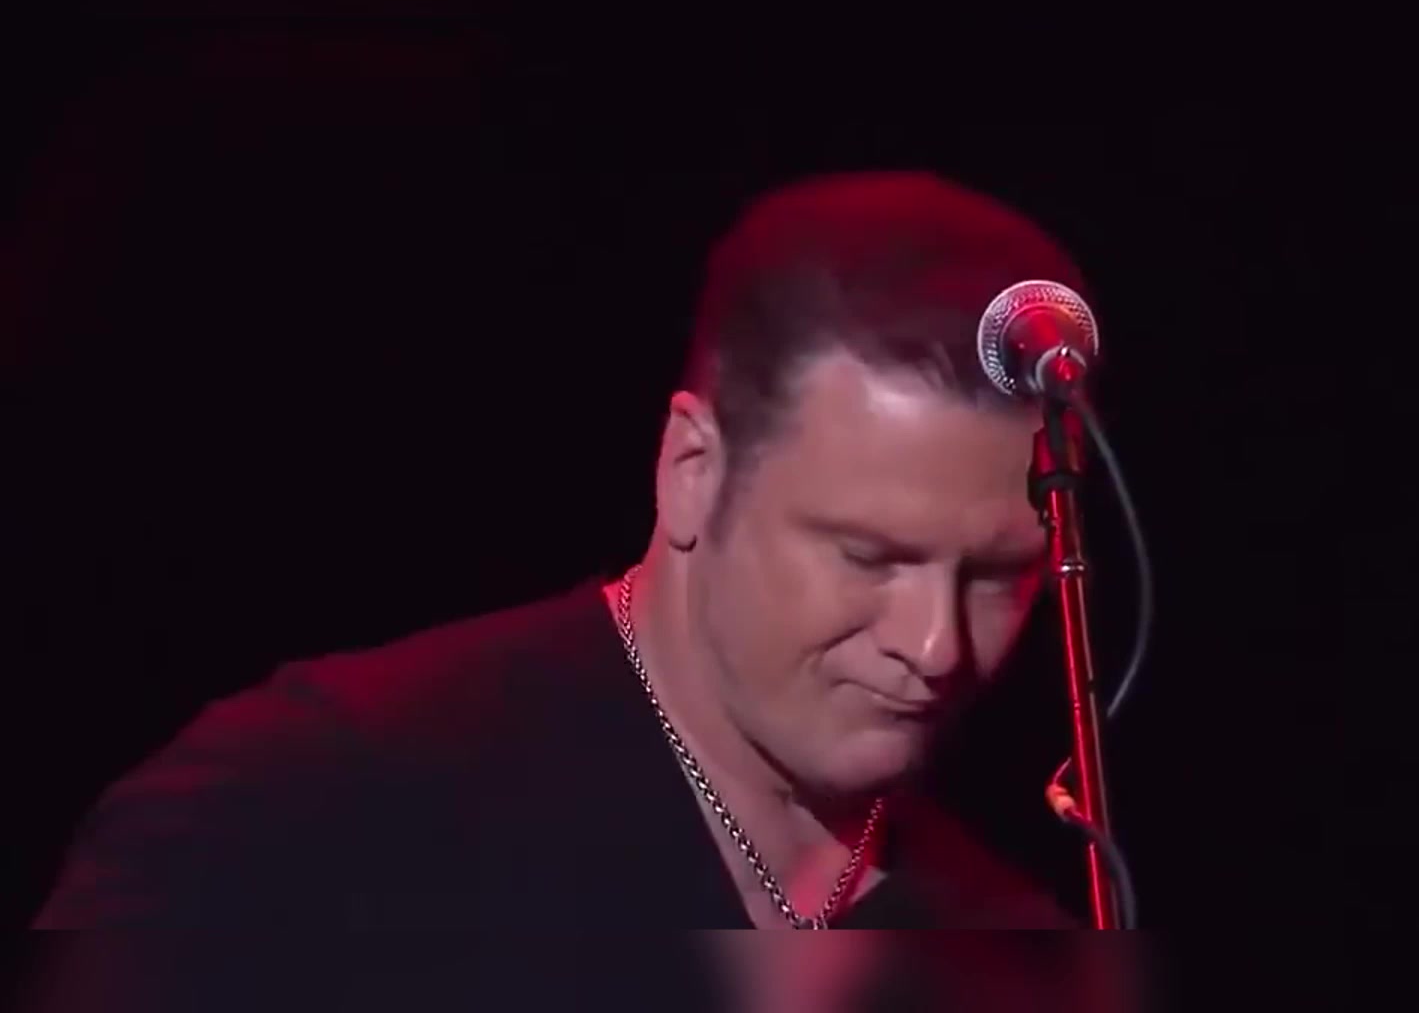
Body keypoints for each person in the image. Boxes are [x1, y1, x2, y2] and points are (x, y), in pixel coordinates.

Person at [29, 170, 1096, 940]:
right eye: (868, 555)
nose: (934, 645)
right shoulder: (299, 810)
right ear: (692, 471)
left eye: (995, 577)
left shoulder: (1004, 943)